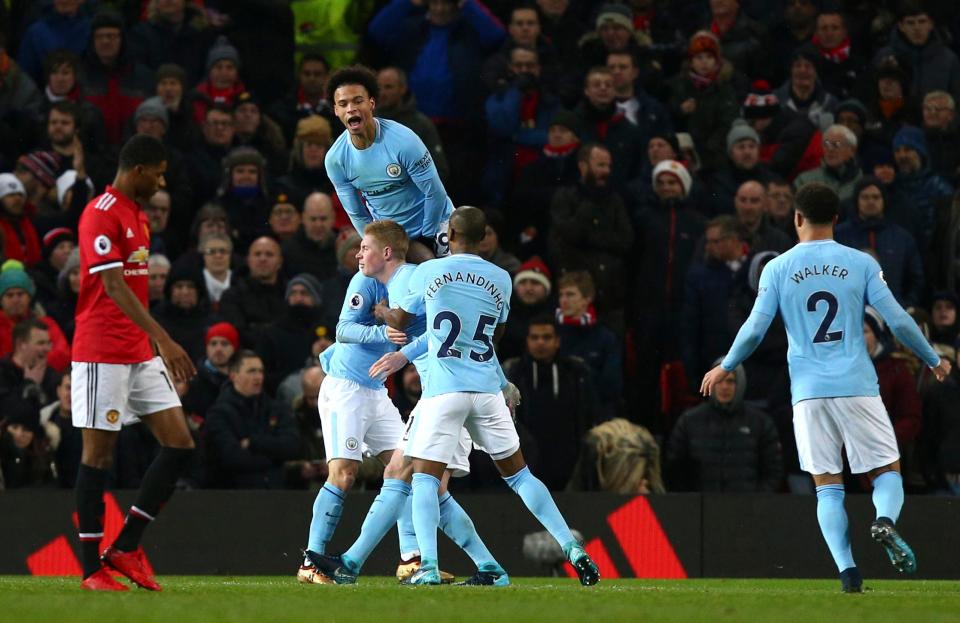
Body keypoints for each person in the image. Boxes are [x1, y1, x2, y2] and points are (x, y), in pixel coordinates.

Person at [701, 182, 952, 593]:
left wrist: (725, 366)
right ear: (836, 219)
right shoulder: (861, 263)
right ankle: (884, 520)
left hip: (808, 393)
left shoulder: (777, 268)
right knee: (887, 472)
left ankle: (849, 573)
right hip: (857, 385)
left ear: (796, 218)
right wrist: (932, 358)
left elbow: (754, 329)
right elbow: (898, 320)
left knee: (827, 486)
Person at [375, 206, 599, 586]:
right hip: (486, 389)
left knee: (425, 479)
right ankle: (572, 547)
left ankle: (427, 566)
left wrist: (381, 310)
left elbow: (402, 320)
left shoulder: (430, 271)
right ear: (483, 238)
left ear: (450, 234)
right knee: (520, 476)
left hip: (445, 392)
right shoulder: (502, 278)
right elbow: (495, 337)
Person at [304, 220, 505, 586]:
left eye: (364, 247)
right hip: (370, 387)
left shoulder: (417, 279)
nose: (357, 253)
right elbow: (346, 329)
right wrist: (385, 329)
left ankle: (369, 563)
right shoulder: (374, 280)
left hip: (443, 394)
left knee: (410, 476)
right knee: (404, 476)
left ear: (388, 252)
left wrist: (398, 344)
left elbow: (426, 325)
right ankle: (419, 561)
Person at [71, 134, 197, 592]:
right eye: (159, 172)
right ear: (139, 170)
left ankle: (125, 546)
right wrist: (164, 338)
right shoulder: (100, 213)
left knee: (180, 443)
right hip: (101, 351)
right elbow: (113, 287)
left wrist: (151, 342)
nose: (162, 181)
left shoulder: (137, 216)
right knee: (98, 454)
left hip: (138, 352)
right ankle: (90, 570)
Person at [325, 65, 453, 261]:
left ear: (371, 103)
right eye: (343, 104)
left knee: (440, 275)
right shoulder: (336, 159)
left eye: (358, 101)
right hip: (392, 236)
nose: (351, 109)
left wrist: (426, 237)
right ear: (336, 110)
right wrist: (377, 243)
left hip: (436, 221)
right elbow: (358, 215)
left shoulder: (403, 141)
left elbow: (434, 192)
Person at [667, 359, 783, 492]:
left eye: (730, 381)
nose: (724, 387)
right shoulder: (689, 421)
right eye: (719, 380)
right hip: (700, 508)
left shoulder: (760, 422)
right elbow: (675, 468)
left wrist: (757, 502)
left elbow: (773, 470)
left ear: (740, 383)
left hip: (747, 508)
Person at [204, 350, 301, 488]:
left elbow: (292, 446)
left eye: (260, 371)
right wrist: (276, 461)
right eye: (251, 371)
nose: (258, 377)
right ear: (233, 376)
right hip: (234, 494)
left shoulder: (276, 408)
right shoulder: (219, 413)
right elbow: (231, 458)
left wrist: (253, 442)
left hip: (277, 493)